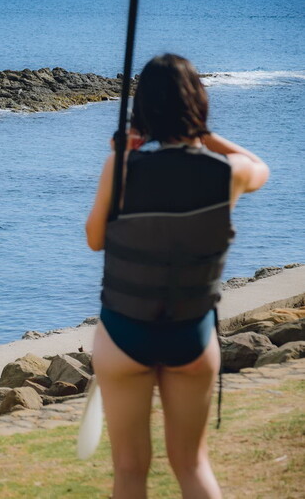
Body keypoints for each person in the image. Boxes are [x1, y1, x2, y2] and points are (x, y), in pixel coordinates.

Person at [85, 54, 269, 499]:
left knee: (130, 470)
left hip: (125, 332)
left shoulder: (121, 169)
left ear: (143, 112)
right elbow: (259, 167)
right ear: (198, 105)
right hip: (191, 333)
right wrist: (204, 135)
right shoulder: (228, 173)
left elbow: (95, 239)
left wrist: (126, 153)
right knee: (192, 464)